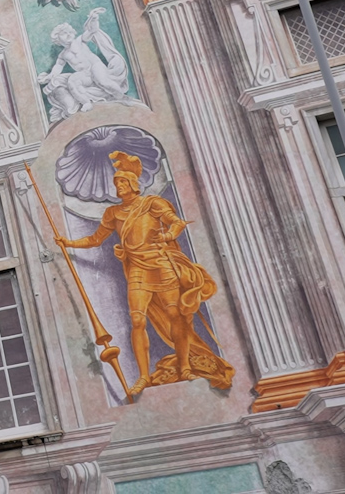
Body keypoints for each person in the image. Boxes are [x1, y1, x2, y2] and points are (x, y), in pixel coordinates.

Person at [56, 151, 234, 394]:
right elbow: (95, 239)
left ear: (132, 184)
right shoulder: (113, 213)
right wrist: (68, 242)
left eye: (122, 181)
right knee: (138, 321)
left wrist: (168, 235)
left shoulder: (152, 204)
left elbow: (176, 222)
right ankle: (142, 377)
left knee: (176, 317)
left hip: (161, 265)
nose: (118, 186)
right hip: (138, 269)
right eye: (117, 182)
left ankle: (184, 367)